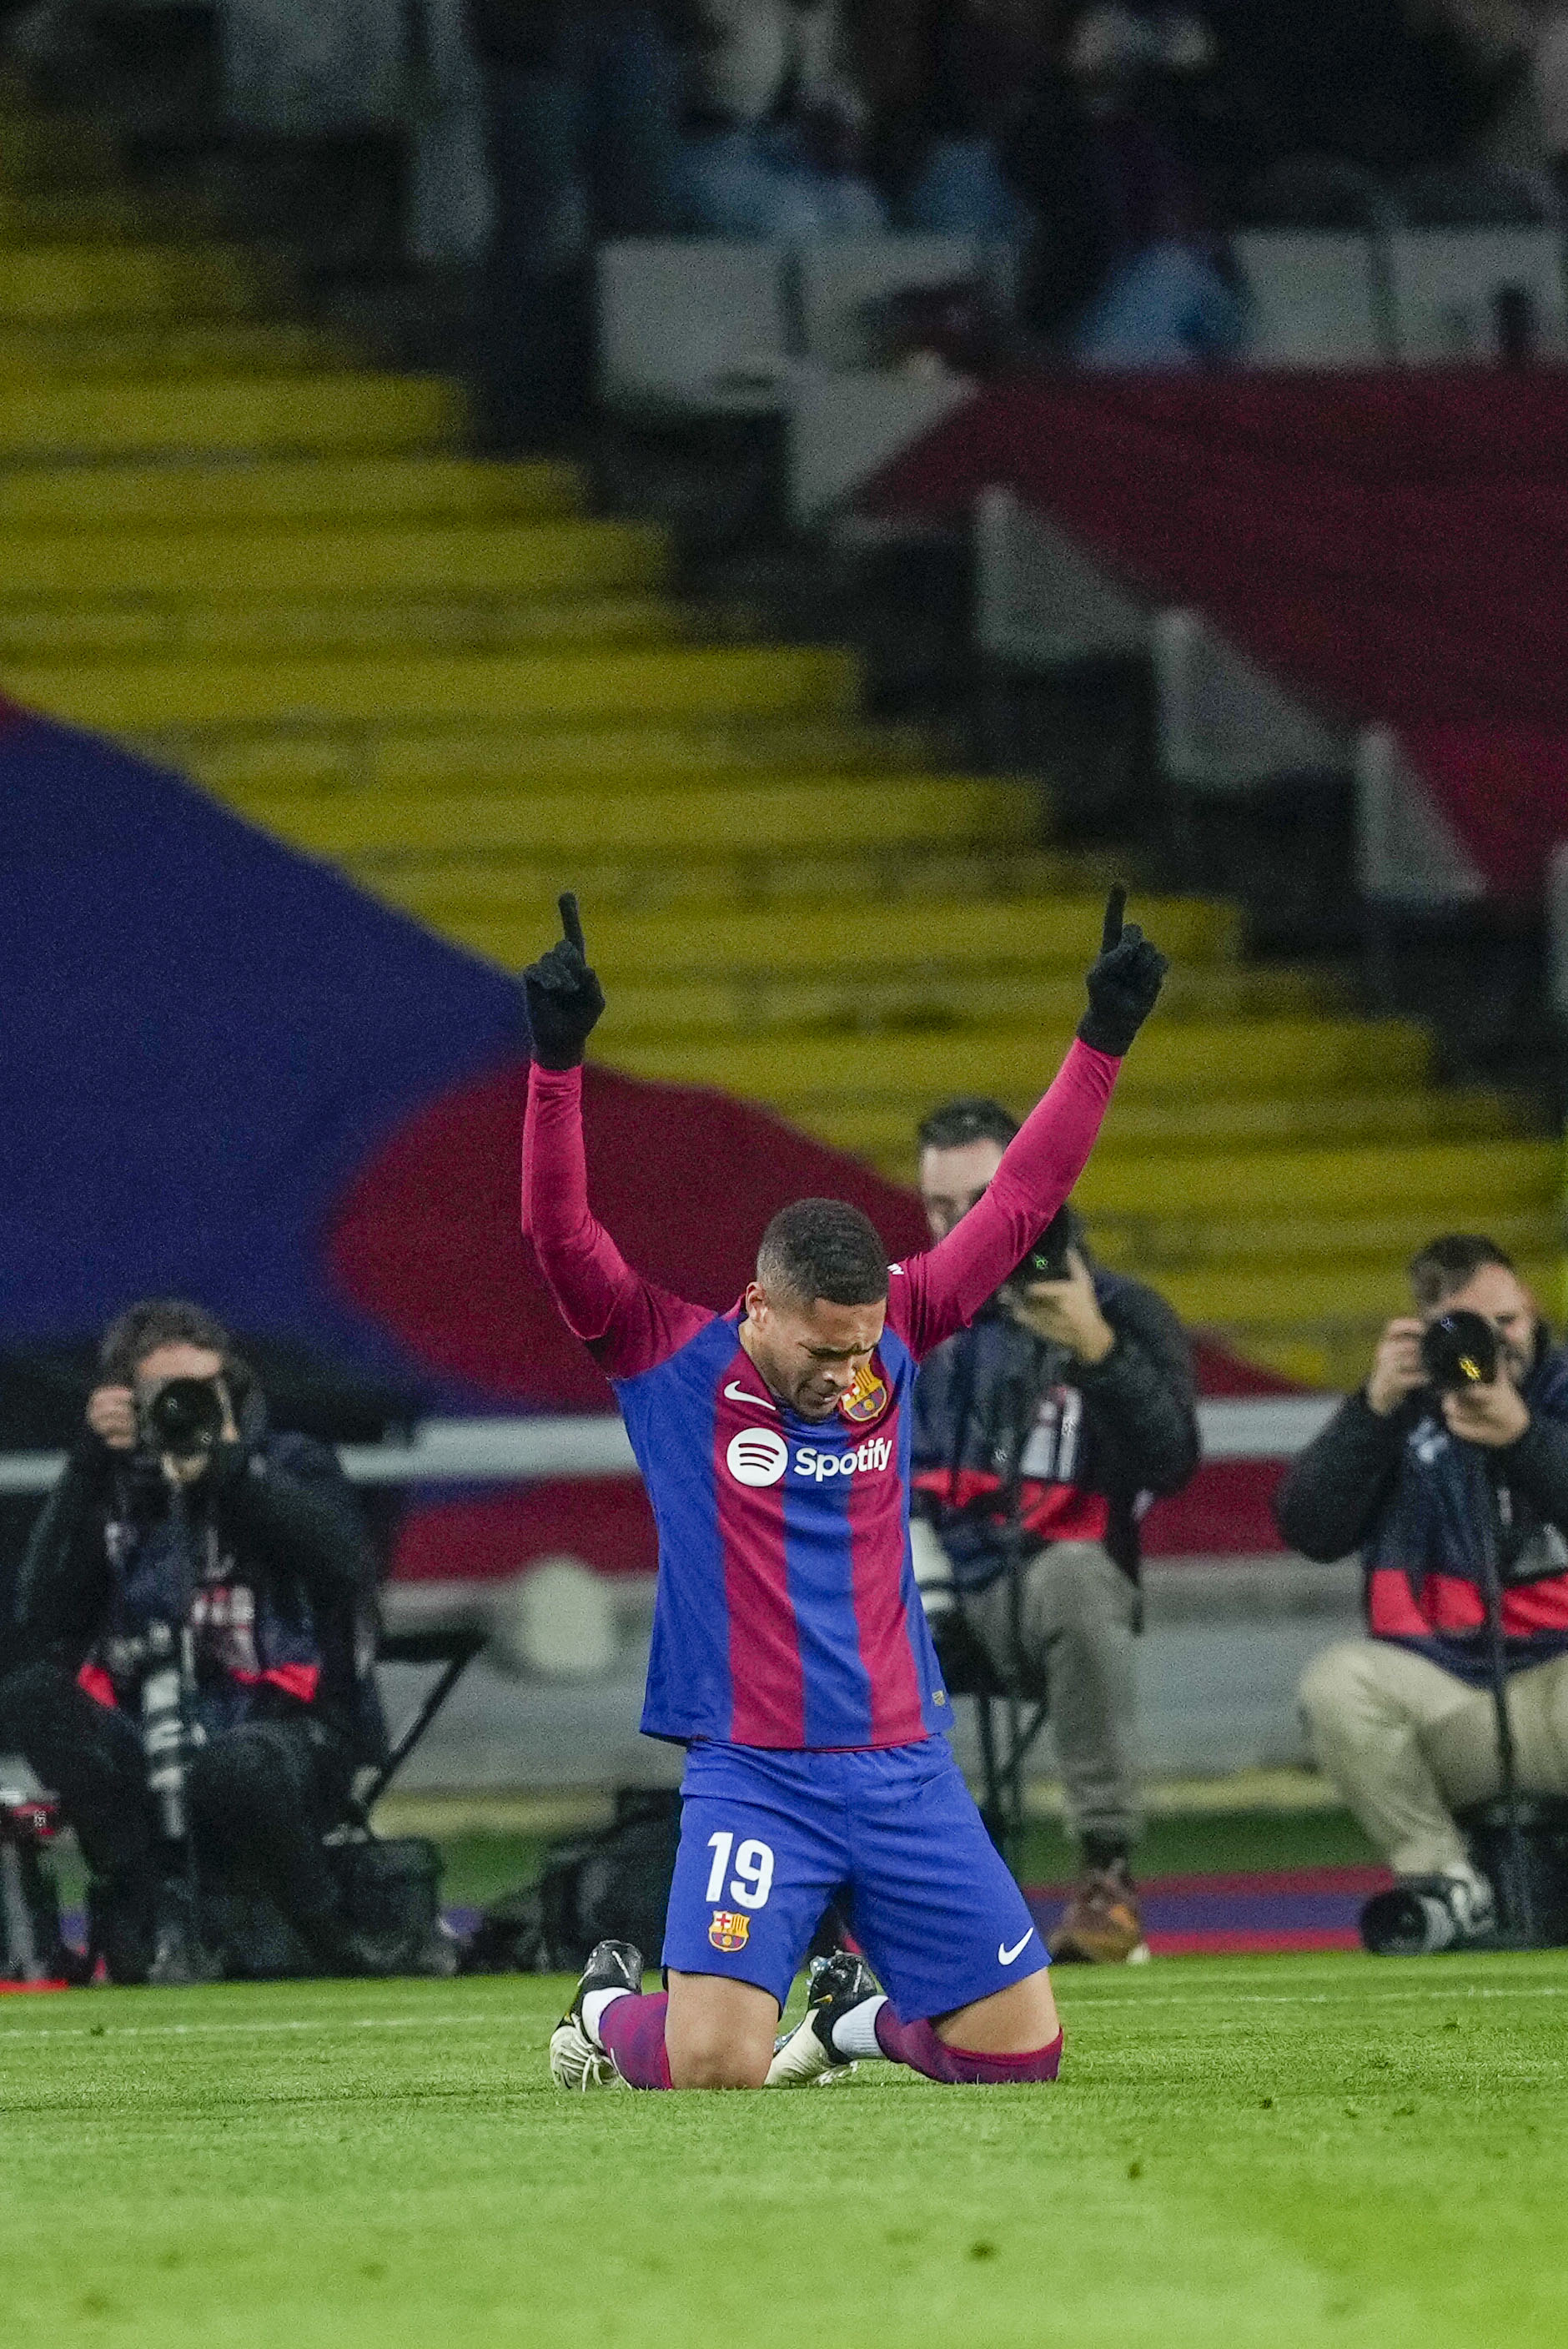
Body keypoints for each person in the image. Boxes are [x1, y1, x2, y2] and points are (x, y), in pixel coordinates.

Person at [523, 887, 1166, 2092]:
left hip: (903, 1763)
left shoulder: (901, 1330)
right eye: (825, 1353)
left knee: (1018, 2061)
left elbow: (1021, 1201)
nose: (848, 1374)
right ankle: (610, 2010)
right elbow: (560, 1236)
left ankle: (848, 2027)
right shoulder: (663, 1357)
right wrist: (555, 1069)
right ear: (757, 1306)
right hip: (756, 1775)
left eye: (864, 1349)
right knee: (719, 2063)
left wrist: (1104, 1040)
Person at [0, 1300, 382, 1984]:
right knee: (31, 1696)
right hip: (140, 1730)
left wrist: (229, 1470)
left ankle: (331, 1939)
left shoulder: (290, 1464)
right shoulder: (110, 1485)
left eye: (202, 1393)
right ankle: (149, 1906)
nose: (185, 1411)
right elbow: (42, 1614)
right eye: (166, 1397)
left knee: (239, 1768)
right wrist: (88, 1465)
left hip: (282, 1726)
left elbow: (343, 1564)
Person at [911, 1098, 1197, 1961]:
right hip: (916, 1584)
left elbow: (1172, 1461)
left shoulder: (1118, 1306)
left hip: (1049, 1588)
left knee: (1072, 1577)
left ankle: (1106, 1877)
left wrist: (1098, 1348)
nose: (958, 1226)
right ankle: (834, 1895)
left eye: (979, 1201)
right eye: (937, 1209)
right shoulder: (907, 1312)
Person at [1276, 1236, 1568, 1954]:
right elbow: (1310, 1528)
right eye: (1471, 1329)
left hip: (1562, 1684)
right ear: (1426, 1333)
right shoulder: (1398, 1411)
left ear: (1535, 1316)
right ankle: (1447, 1884)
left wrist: (1526, 1438)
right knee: (1338, 1683)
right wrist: (1373, 1410)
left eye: (1510, 1322)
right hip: (1448, 1695)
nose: (1496, 1345)